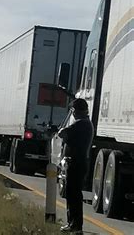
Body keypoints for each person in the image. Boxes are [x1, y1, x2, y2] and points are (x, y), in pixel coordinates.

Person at [58, 98, 94, 234]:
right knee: (73, 193)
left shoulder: (80, 124)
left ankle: (75, 225)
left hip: (76, 162)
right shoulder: (86, 124)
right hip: (79, 162)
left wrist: (63, 129)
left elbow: (63, 133)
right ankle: (73, 224)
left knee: (73, 194)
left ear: (74, 110)